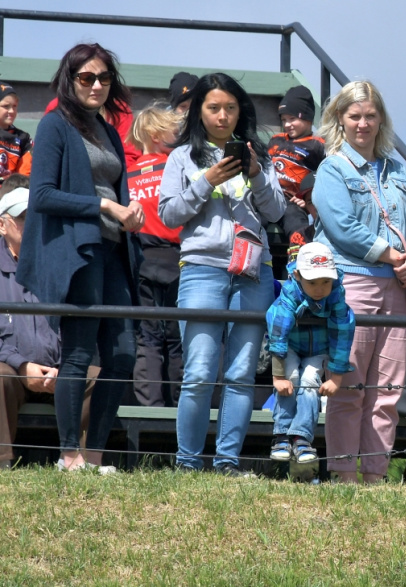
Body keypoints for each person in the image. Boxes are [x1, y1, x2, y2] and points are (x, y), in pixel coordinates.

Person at [17, 43, 144, 472]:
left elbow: (114, 186)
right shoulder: (55, 125)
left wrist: (129, 212)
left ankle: (94, 456)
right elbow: (42, 195)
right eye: (86, 77)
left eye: (104, 78)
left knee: (123, 354)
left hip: (114, 251)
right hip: (79, 250)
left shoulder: (107, 130)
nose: (96, 85)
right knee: (78, 351)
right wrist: (104, 206)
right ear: (69, 80)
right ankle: (69, 456)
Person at [158, 73, 286, 475]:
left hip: (254, 271)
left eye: (230, 108)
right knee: (198, 371)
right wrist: (207, 181)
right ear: (199, 111)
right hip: (202, 270)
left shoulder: (258, 156)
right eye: (213, 107)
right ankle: (188, 463)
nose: (222, 116)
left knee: (241, 374)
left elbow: (276, 212)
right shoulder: (182, 157)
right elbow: (168, 214)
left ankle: (227, 462)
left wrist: (257, 174)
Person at [311, 80, 406, 484]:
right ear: (340, 119)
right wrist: (394, 256)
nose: (363, 123)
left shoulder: (397, 169)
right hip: (352, 285)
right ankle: (344, 475)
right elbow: (340, 226)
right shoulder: (332, 168)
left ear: (381, 120)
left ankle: (375, 477)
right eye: (355, 116)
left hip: (398, 289)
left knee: (388, 392)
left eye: (370, 116)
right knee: (348, 388)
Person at [266, 242, 354, 465]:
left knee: (309, 381)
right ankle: (282, 436)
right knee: (290, 378)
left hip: (319, 350)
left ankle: (302, 438)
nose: (320, 289)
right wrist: (278, 376)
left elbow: (342, 332)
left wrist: (336, 377)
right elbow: (278, 331)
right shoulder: (289, 294)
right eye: (312, 282)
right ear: (297, 276)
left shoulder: (336, 295)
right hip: (290, 347)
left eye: (326, 281)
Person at [126, 105, 184, 407]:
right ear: (155, 134)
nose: (178, 135)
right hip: (177, 259)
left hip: (141, 260)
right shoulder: (175, 169)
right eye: (172, 130)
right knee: (178, 337)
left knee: (147, 336)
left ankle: (150, 408)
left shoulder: (127, 175)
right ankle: (180, 406)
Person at [0, 185, 60, 469]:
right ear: (2, 225)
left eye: (37, 216)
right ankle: (3, 465)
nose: (33, 224)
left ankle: (81, 462)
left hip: (58, 370)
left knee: (95, 379)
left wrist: (66, 365)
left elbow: (79, 326)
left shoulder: (60, 265)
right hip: (12, 369)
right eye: (23, 217)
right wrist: (22, 365)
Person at [267, 85, 325, 237]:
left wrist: (309, 201)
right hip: (268, 196)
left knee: (296, 224)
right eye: (284, 120)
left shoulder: (318, 145)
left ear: (307, 118)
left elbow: (324, 179)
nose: (287, 124)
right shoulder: (275, 140)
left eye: (292, 119)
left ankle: (299, 248)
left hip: (293, 201)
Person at [0, 81, 32, 178]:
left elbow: (24, 174)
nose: (11, 111)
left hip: (12, 186)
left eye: (14, 106)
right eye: (6, 106)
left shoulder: (23, 138)